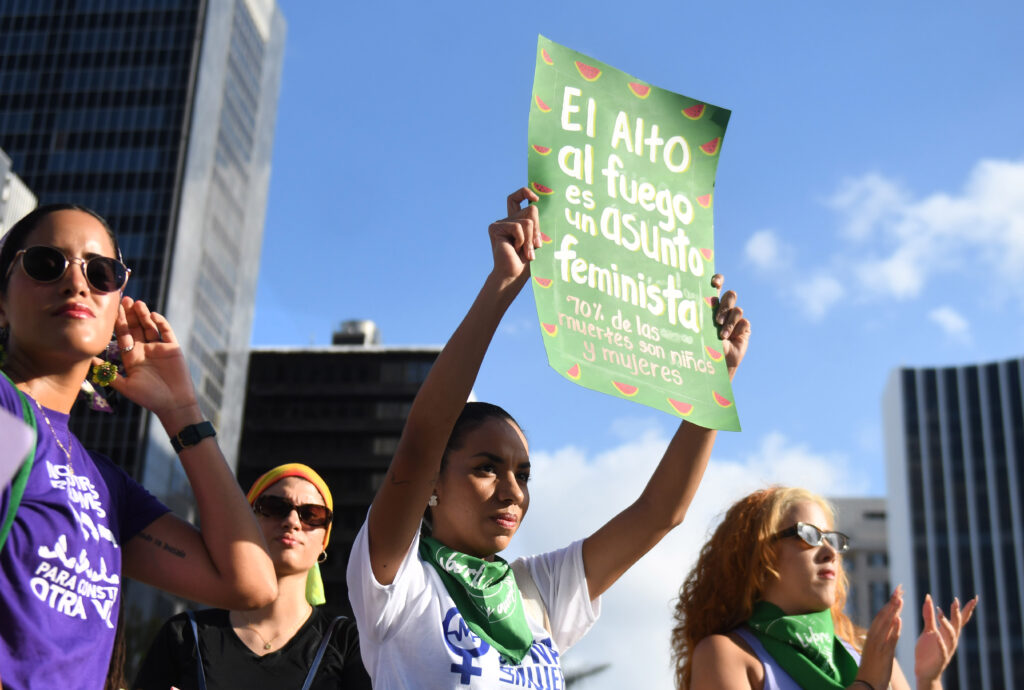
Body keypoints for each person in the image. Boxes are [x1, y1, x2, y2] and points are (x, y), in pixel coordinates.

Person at [346, 188, 751, 687]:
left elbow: (659, 514)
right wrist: (503, 284)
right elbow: (421, 440)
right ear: (433, 483)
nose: (513, 491)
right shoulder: (396, 582)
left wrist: (715, 382)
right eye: (486, 468)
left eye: (522, 474)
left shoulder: (536, 591)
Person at [0, 205, 277, 690]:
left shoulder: (104, 484)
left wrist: (181, 411)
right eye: (47, 264)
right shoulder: (5, 412)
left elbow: (249, 583)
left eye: (100, 272)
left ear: (118, 301)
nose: (76, 283)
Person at [671, 486, 978, 690]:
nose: (830, 551)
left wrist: (929, 679)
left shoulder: (863, 653)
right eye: (808, 535)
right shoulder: (726, 655)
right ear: (758, 555)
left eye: (832, 539)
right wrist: (866, 685)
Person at [135, 463, 371, 689]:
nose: (292, 521)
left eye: (312, 515)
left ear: (324, 542)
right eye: (275, 507)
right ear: (247, 523)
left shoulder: (346, 642)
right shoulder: (185, 634)